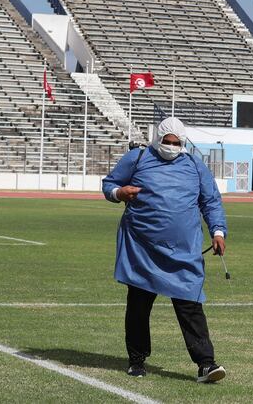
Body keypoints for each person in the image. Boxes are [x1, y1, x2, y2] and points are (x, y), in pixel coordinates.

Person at [102, 117, 228, 383]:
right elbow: (109, 183)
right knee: (138, 305)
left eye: (177, 143)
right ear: (157, 139)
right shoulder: (136, 158)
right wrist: (119, 193)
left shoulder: (194, 165)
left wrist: (218, 231)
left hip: (183, 251)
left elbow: (211, 201)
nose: (171, 146)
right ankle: (137, 361)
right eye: (167, 142)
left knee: (190, 305)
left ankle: (206, 364)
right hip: (142, 248)